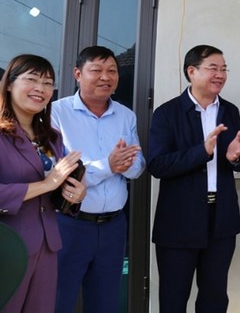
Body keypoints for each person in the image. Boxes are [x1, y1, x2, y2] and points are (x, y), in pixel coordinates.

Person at [148, 44, 240, 313]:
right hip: (178, 221)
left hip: (221, 220)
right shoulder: (167, 113)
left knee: (214, 299)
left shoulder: (230, 111)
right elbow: (157, 164)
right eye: (213, 68)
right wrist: (202, 152)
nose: (220, 74)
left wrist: (235, 158)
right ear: (191, 71)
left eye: (224, 69)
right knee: (173, 299)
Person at [51, 46, 145, 313]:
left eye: (112, 71)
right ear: (78, 74)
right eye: (97, 70)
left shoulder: (126, 115)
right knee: (59, 300)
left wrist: (125, 164)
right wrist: (109, 165)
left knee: (105, 303)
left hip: (113, 226)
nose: (106, 77)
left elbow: (138, 165)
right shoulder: (57, 113)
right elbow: (61, 174)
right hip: (69, 224)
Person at [0, 54, 86, 313]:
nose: (41, 88)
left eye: (48, 83)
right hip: (8, 247)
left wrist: (74, 195)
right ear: (9, 84)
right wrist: (48, 184)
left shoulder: (52, 137)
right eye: (32, 79)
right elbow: (49, 182)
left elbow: (56, 187)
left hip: (47, 245)